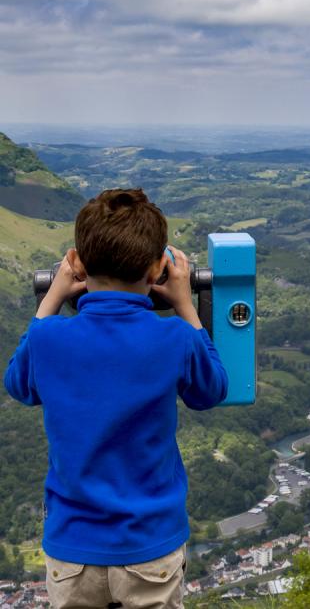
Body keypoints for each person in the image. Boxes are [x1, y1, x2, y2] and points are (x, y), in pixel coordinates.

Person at [4, 188, 228, 609]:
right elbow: (211, 390)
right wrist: (185, 307)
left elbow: (19, 384)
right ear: (158, 268)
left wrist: (53, 295)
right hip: (149, 546)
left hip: (72, 550)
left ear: (78, 263)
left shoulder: (49, 337)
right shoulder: (174, 337)